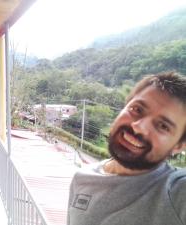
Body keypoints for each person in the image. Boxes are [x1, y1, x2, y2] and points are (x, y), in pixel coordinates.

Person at [67, 72, 186, 225]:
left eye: (163, 126)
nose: (139, 127)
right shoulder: (81, 179)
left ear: (178, 146)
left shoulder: (176, 190)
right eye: (137, 109)